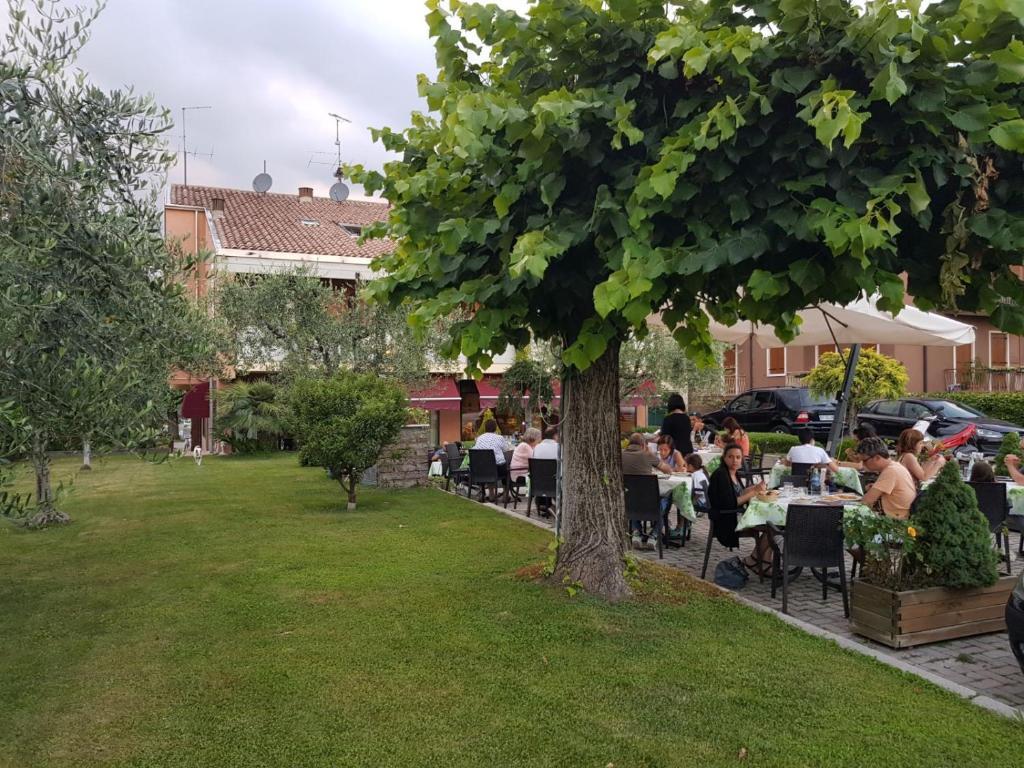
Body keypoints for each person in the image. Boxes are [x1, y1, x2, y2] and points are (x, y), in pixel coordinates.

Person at [707, 443, 769, 571]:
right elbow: (731, 503)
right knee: (771, 528)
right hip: (727, 519)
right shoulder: (721, 475)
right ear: (724, 458)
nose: (734, 460)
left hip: (735, 514)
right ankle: (756, 561)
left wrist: (754, 488)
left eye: (738, 457)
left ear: (741, 459)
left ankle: (762, 562)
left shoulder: (733, 473)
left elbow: (739, 493)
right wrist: (754, 492)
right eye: (730, 457)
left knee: (772, 527)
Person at [623, 433, 675, 549]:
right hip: (650, 502)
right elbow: (668, 470)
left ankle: (636, 532)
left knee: (633, 498)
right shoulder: (647, 455)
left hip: (627, 502)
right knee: (666, 498)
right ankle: (654, 535)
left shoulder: (620, 455)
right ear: (643, 445)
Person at [858, 437, 918, 520]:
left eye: (865, 460)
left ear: (877, 458)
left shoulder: (891, 471)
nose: (863, 464)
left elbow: (866, 502)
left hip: (894, 521)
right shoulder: (895, 466)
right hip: (899, 516)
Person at [648, 393, 693, 458]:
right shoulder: (687, 418)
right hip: (688, 450)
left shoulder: (668, 419)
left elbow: (664, 438)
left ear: (670, 404)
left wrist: (649, 439)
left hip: (674, 452)